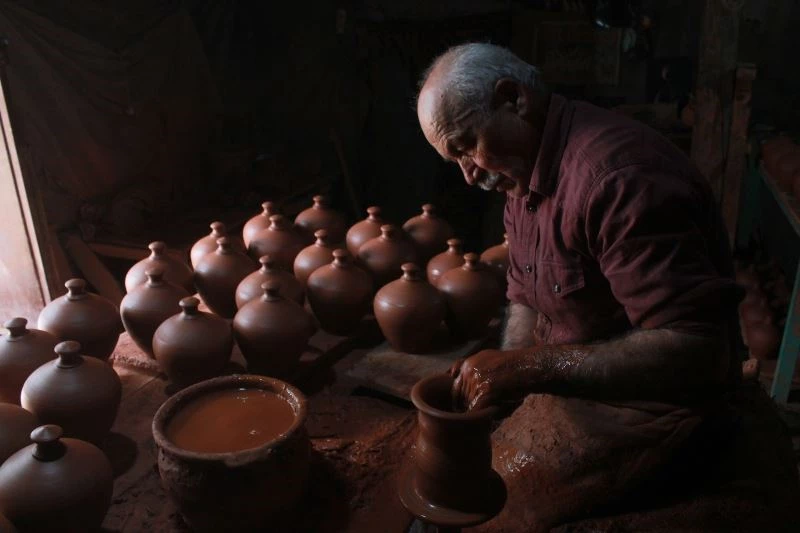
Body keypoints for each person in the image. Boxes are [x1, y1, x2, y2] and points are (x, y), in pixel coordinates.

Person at [416, 43, 800, 532]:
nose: (468, 175)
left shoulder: (619, 179)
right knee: (464, 472)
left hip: (659, 405)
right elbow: (524, 294)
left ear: (513, 99)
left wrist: (531, 367)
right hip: (582, 384)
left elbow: (697, 350)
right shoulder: (519, 170)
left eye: (466, 146)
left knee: (498, 512)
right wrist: (511, 379)